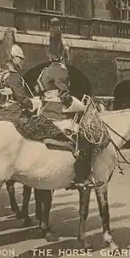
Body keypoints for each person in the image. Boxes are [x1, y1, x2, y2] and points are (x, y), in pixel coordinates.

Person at [36, 18, 92, 189]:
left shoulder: (45, 71)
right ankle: (80, 178)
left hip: (44, 111)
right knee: (84, 140)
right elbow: (64, 95)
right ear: (64, 54)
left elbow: (38, 90)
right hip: (57, 113)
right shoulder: (61, 70)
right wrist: (77, 105)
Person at [0, 30, 39, 120]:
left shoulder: (3, 75)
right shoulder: (15, 77)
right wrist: (36, 102)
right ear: (13, 58)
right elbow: (22, 100)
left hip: (3, 111)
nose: (23, 61)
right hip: (14, 114)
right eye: (20, 58)